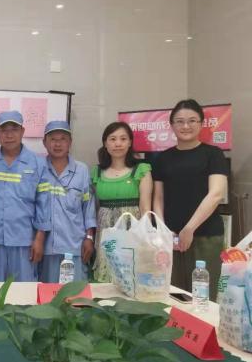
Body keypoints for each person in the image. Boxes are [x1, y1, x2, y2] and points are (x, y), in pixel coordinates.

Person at [152, 99, 228, 300]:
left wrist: (189, 229)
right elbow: (158, 197)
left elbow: (216, 194)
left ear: (201, 124)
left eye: (192, 120)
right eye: (180, 121)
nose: (186, 126)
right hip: (171, 239)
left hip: (205, 236)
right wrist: (164, 231)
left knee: (204, 298)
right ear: (172, 125)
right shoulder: (162, 158)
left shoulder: (213, 154)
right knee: (173, 296)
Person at [0, 110, 52, 282]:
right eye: (4, 130)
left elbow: (44, 204)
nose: (9, 135)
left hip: (24, 241)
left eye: (14, 129)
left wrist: (39, 239)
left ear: (22, 131)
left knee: (23, 292)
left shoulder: (37, 163)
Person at [91, 121, 152, 283]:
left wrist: (146, 235)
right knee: (106, 274)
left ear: (130, 142)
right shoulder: (96, 172)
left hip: (132, 228)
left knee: (130, 274)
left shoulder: (141, 169)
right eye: (112, 139)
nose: (118, 144)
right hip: (106, 230)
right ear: (105, 143)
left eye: (123, 139)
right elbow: (94, 206)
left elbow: (145, 206)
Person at [39, 121, 96, 283]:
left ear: (70, 142)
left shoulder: (82, 170)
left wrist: (89, 238)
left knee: (75, 295)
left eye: (63, 139)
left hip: (75, 247)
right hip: (46, 249)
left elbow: (88, 208)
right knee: (47, 294)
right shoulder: (38, 169)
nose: (58, 144)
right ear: (44, 142)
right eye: (53, 139)